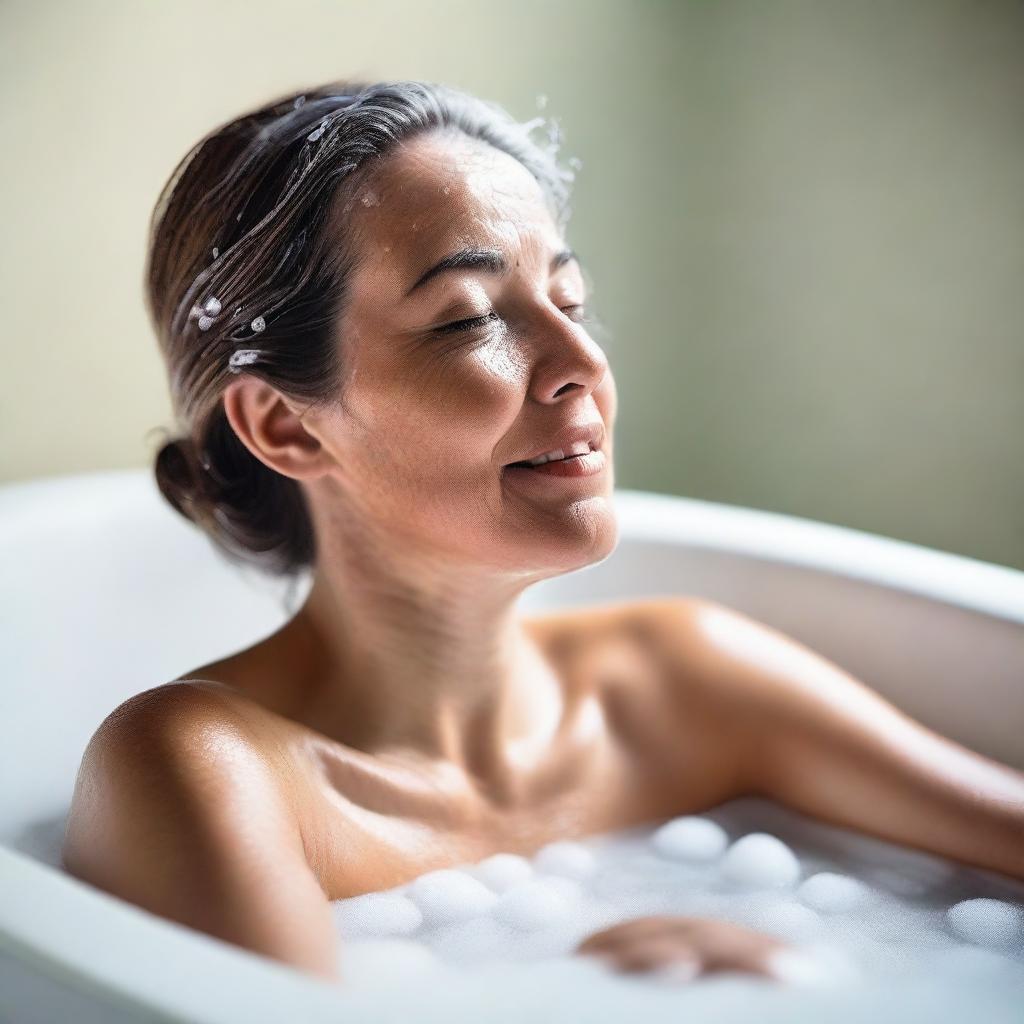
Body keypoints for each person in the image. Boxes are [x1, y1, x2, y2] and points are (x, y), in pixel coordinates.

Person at [62, 80, 1024, 987]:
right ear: (285, 423)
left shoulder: (679, 681)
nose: (582, 361)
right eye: (470, 319)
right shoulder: (205, 767)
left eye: (568, 300)